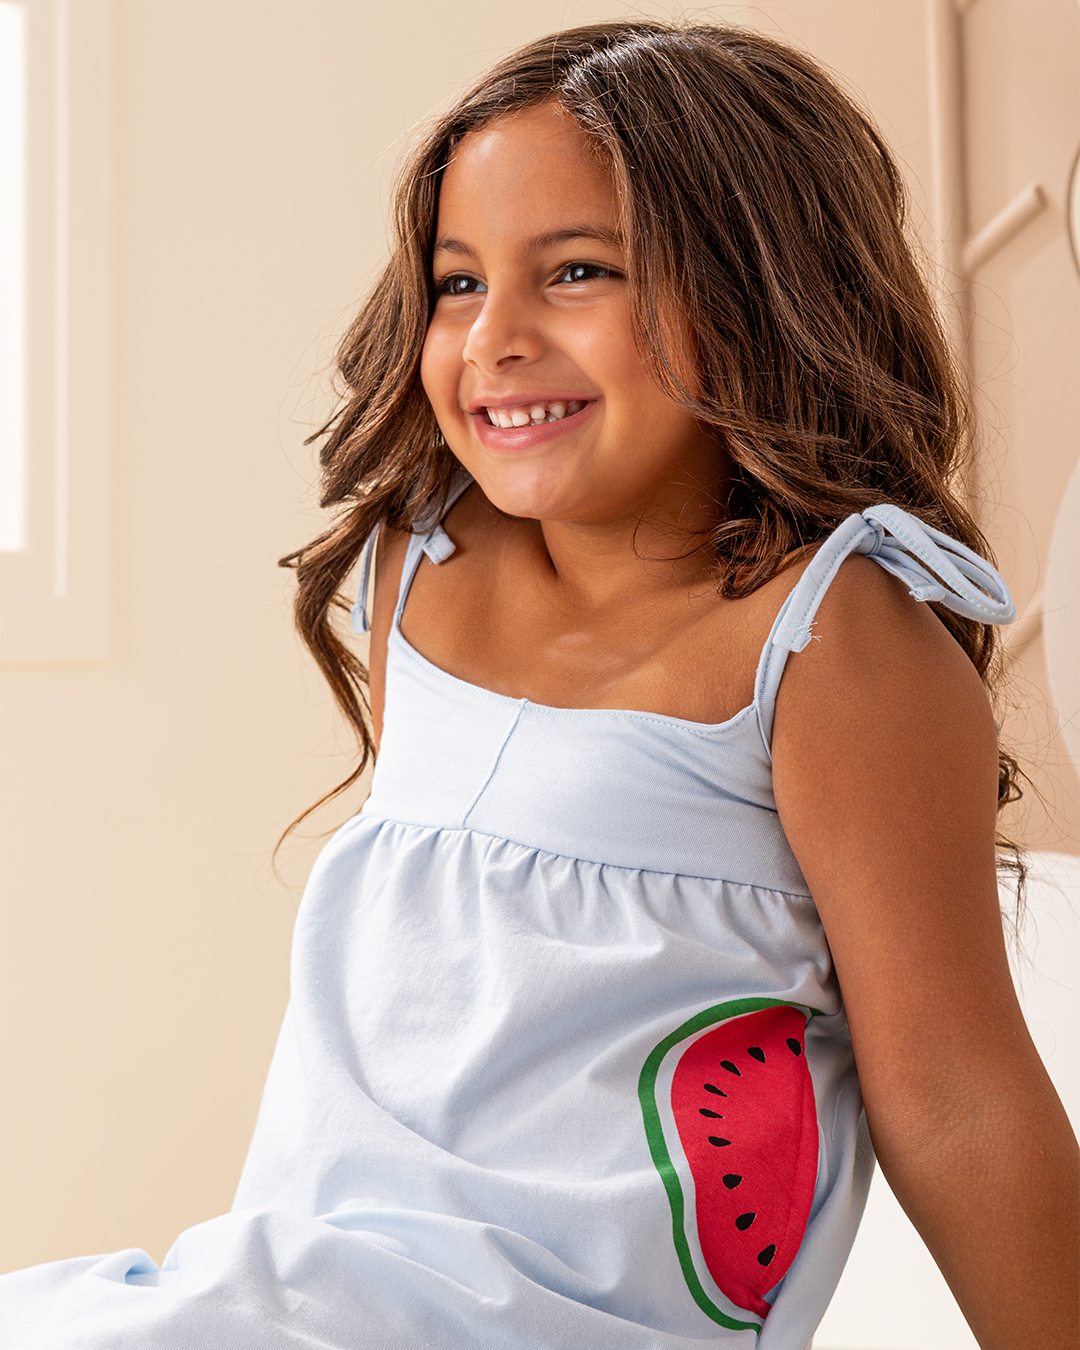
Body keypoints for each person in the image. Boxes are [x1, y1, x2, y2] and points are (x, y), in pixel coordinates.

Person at [2, 20, 1078, 1350]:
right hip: (311, 1296)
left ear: (756, 286)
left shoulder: (831, 642)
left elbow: (960, 1098)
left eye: (577, 272)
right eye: (458, 282)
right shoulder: (419, 565)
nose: (494, 339)